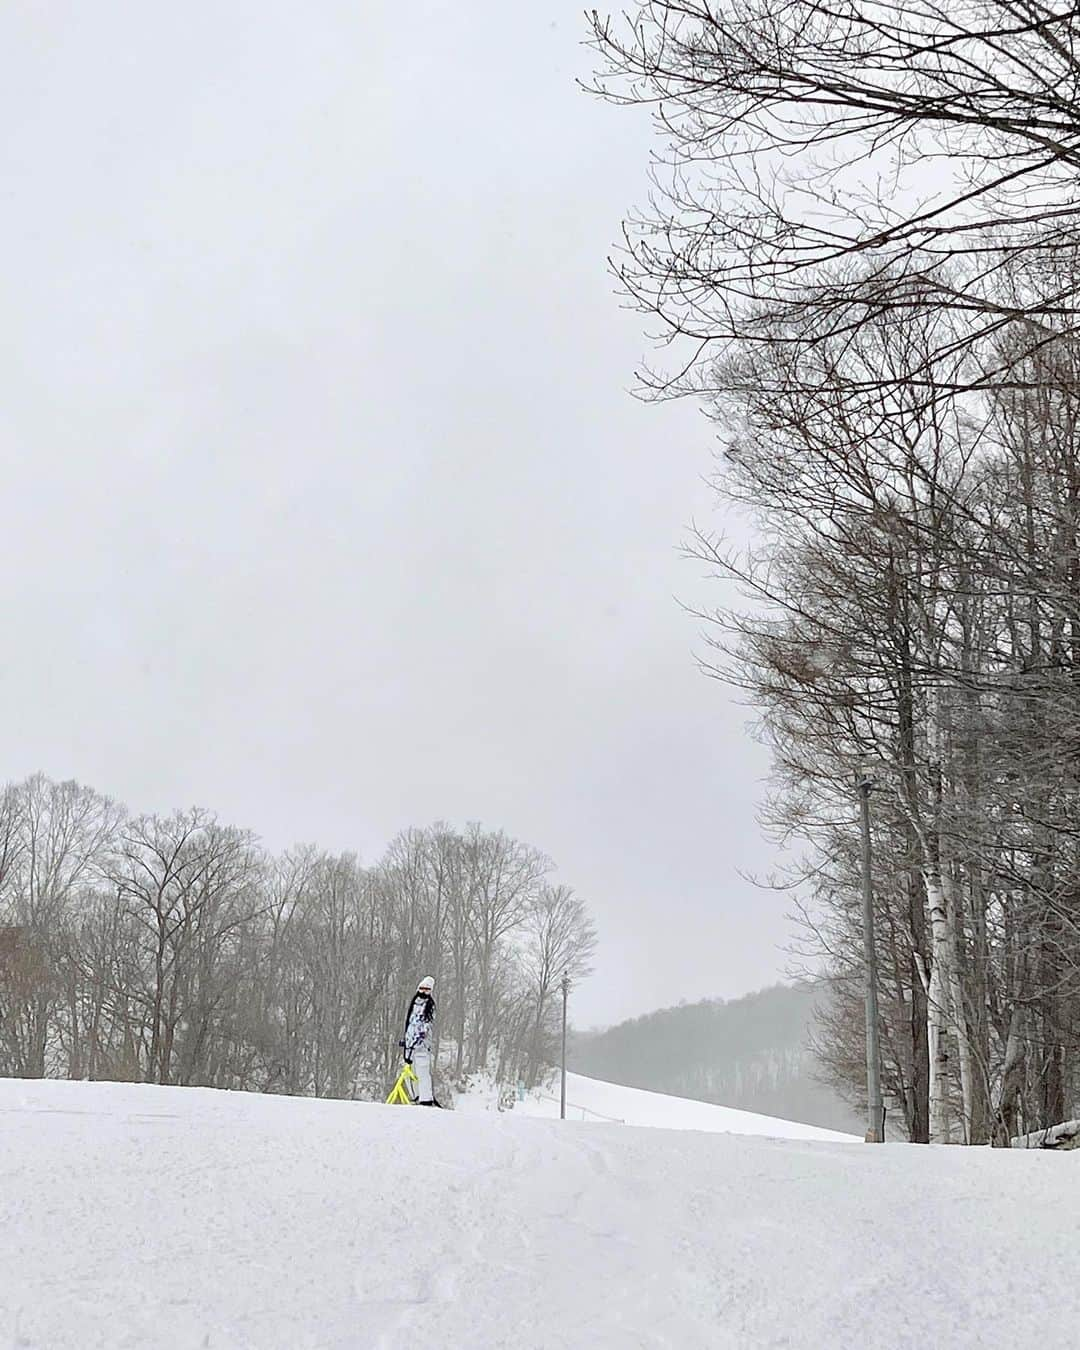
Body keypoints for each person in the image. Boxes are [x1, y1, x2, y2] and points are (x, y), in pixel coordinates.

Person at [402, 975, 441, 1106]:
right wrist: (407, 1040)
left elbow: (426, 1026)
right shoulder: (413, 1004)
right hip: (410, 1046)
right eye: (422, 989)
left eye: (427, 990)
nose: (423, 992)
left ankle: (425, 1099)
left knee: (422, 1072)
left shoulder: (430, 1006)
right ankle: (415, 1095)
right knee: (408, 1072)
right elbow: (410, 1024)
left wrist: (419, 1038)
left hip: (422, 1047)